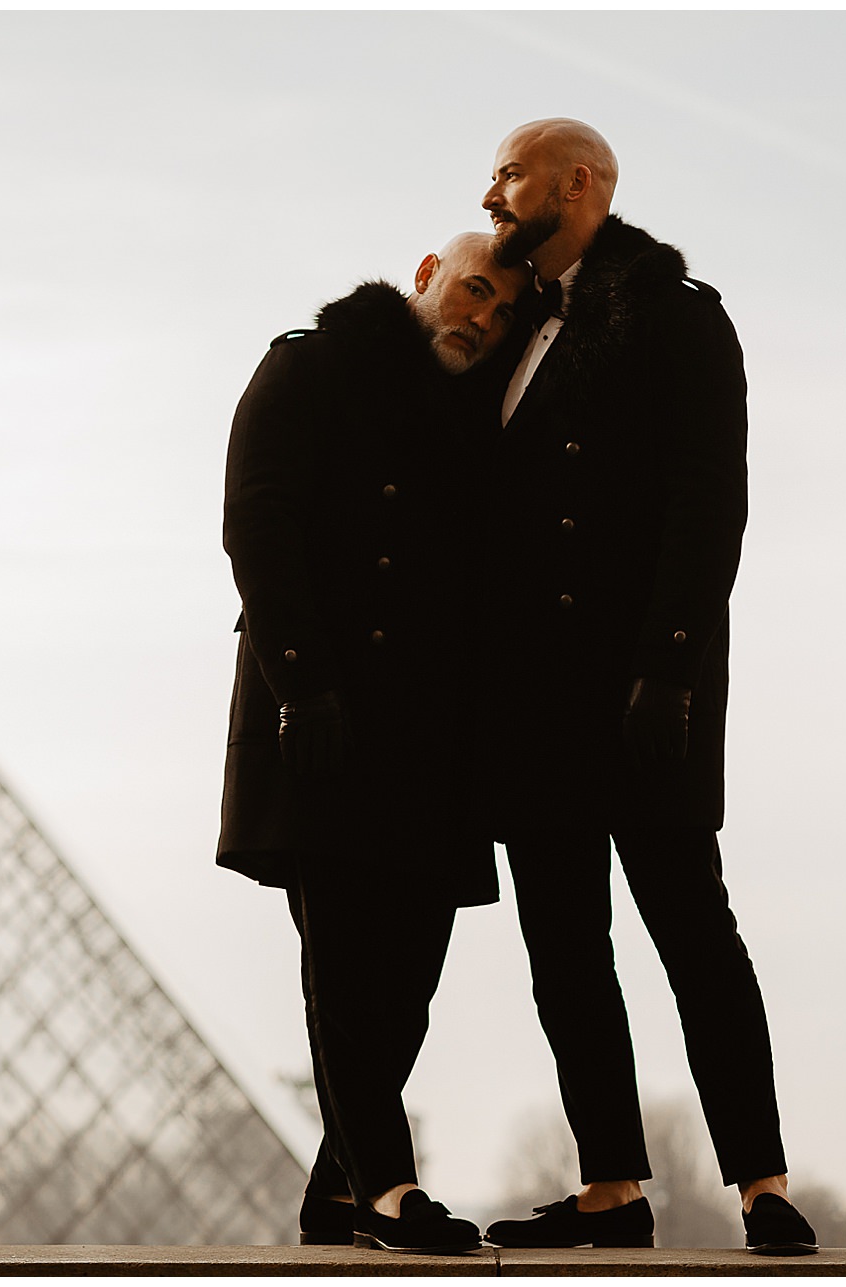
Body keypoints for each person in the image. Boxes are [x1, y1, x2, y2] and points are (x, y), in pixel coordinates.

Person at [469, 118, 818, 1256]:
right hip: (532, 697)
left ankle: (762, 1184)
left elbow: (709, 503)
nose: (488, 193)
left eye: (508, 174)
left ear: (576, 184)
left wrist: (668, 666)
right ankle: (612, 1189)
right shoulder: (510, 321)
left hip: (639, 685)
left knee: (692, 932)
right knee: (565, 947)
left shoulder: (677, 315)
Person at [217, 233, 531, 1254]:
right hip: (322, 715)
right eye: (474, 290)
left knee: (406, 991)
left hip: (434, 739)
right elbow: (255, 524)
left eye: (501, 314)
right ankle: (391, 1191)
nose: (480, 318)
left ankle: (338, 1197)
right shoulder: (306, 365)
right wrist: (304, 685)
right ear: (426, 275)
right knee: (349, 968)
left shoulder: (478, 417)